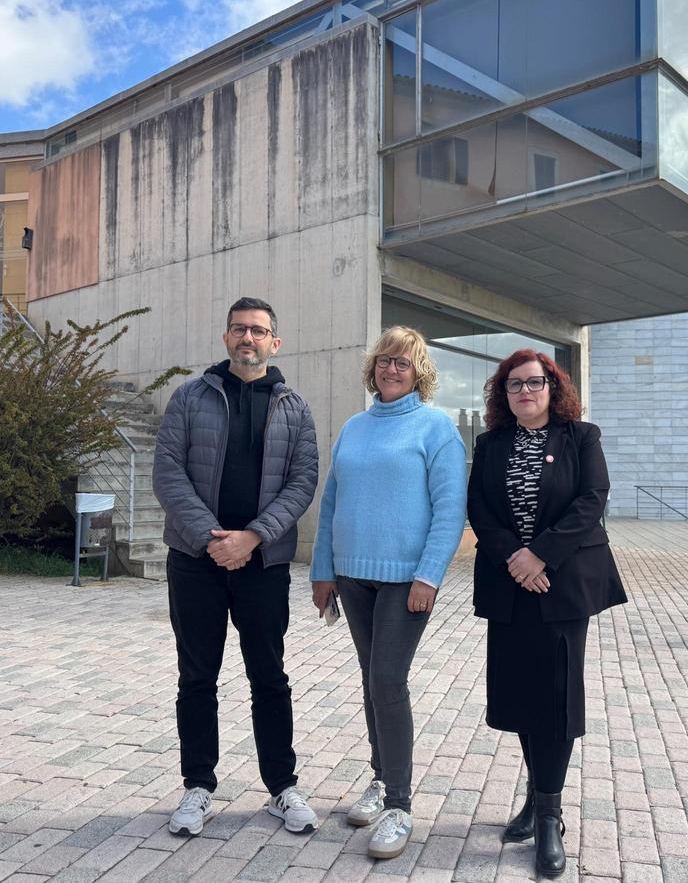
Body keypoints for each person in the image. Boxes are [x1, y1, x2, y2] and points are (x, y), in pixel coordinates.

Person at [153, 297, 320, 837]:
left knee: (269, 676)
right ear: (226, 338)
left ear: (276, 341)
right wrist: (212, 538)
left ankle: (282, 787)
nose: (248, 338)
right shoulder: (189, 398)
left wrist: (252, 537)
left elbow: (302, 483)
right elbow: (168, 474)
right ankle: (197, 786)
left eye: (259, 330)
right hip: (195, 561)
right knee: (197, 676)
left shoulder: (295, 408)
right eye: (239, 329)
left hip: (264, 562)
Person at [467, 349, 627, 878]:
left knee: (555, 699)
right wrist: (515, 557)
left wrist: (541, 555)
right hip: (512, 584)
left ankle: (551, 816)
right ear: (502, 394)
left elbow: (591, 500)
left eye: (534, 383)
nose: (525, 392)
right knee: (519, 695)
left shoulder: (581, 437)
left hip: (561, 585)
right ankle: (538, 800)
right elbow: (480, 510)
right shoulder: (491, 444)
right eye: (514, 385)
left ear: (552, 387)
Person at [310, 326, 467, 860]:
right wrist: (322, 571)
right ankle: (380, 781)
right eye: (384, 361)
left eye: (402, 362)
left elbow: (450, 508)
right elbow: (332, 501)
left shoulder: (436, 427)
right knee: (370, 678)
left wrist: (429, 576)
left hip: (406, 581)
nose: (391, 369)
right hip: (353, 577)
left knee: (386, 680)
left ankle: (399, 803)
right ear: (373, 368)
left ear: (419, 370)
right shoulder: (355, 427)